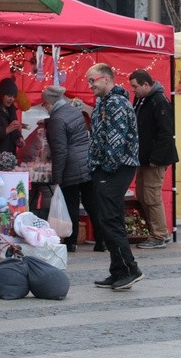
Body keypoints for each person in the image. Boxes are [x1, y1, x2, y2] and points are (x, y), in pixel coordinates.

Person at [86, 63, 143, 290]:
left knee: (109, 219)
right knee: (109, 218)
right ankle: (118, 270)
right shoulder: (103, 102)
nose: (90, 85)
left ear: (107, 79)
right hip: (106, 167)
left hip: (116, 167)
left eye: (93, 80)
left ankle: (130, 269)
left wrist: (105, 169)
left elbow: (115, 140)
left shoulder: (117, 103)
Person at [41, 85, 105, 253]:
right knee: (92, 203)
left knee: (71, 204)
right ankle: (102, 240)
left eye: (44, 103)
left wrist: (57, 177)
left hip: (71, 165)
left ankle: (70, 242)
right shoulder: (74, 111)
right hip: (87, 161)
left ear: (50, 102)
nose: (44, 107)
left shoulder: (57, 119)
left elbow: (60, 150)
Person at [129, 69, 179, 249]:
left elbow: (166, 133)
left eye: (135, 86)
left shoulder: (159, 100)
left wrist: (156, 158)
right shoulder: (142, 99)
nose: (133, 90)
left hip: (155, 159)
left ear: (146, 85)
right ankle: (156, 232)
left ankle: (159, 235)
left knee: (151, 196)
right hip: (144, 157)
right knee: (143, 195)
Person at [0, 77, 24, 155]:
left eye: (14, 97)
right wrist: (5, 130)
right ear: (1, 94)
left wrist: (19, 138)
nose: (12, 99)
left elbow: (14, 128)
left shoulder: (11, 109)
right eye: (9, 95)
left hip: (9, 154)